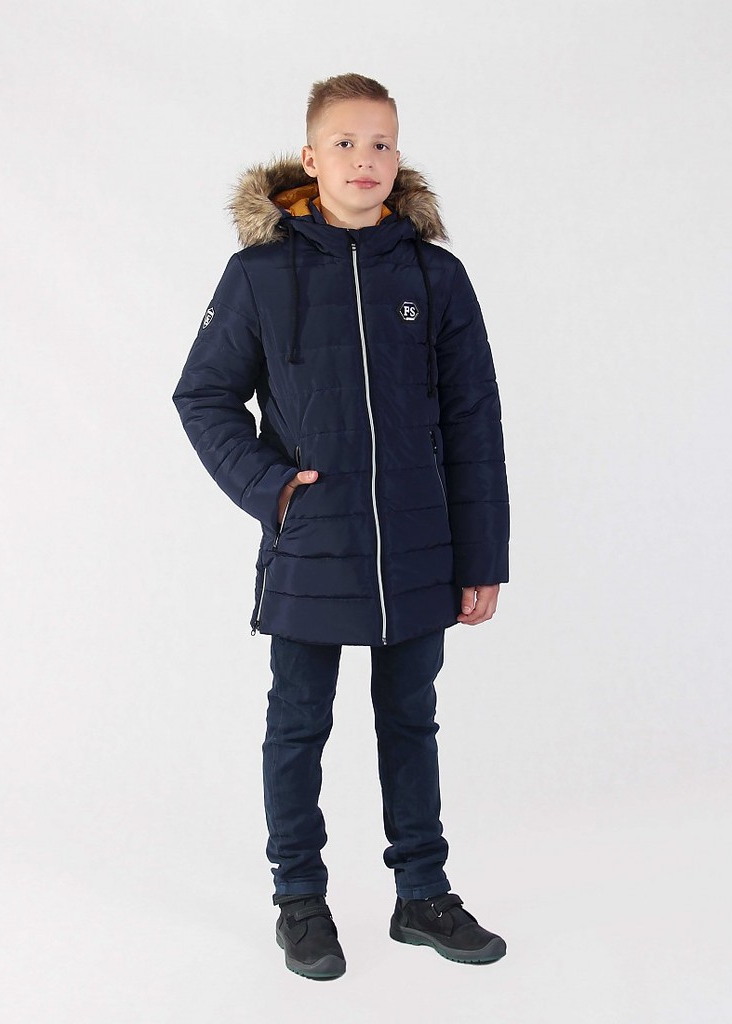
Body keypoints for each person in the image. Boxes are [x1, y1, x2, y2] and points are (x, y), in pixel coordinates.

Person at [172, 73, 510, 981]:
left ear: (399, 159)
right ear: (311, 158)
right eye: (347, 143)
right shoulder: (259, 275)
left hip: (420, 546)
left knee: (411, 719)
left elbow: (474, 420)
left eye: (383, 143)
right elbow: (203, 396)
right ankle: (300, 901)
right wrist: (273, 489)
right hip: (313, 542)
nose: (367, 159)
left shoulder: (436, 277)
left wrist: (482, 556)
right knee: (298, 723)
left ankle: (423, 895)